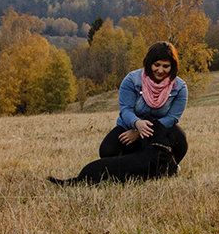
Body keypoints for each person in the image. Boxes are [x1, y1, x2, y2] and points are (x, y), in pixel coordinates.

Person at [48, 41, 189, 185]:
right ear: (148, 63)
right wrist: (136, 124)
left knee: (179, 139)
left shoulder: (180, 87)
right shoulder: (131, 80)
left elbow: (172, 117)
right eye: (156, 65)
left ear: (173, 67)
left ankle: (168, 168)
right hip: (130, 125)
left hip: (161, 130)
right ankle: (131, 169)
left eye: (166, 66)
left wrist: (141, 132)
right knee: (108, 150)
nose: (160, 70)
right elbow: (126, 110)